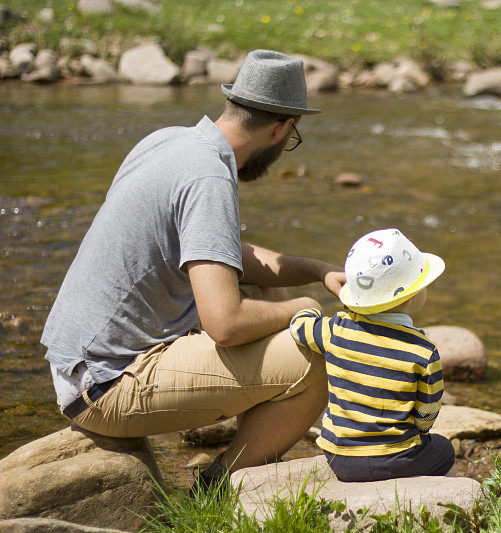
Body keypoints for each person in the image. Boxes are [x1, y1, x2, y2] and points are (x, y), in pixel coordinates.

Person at [40, 50, 346, 484]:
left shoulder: (171, 141)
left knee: (266, 296)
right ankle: (220, 486)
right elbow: (224, 323)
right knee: (318, 353)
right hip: (104, 386)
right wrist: (306, 309)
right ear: (283, 127)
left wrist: (317, 269)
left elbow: (224, 253)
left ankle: (252, 442)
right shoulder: (209, 178)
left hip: (78, 363)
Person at [289, 228, 455, 482]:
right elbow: (427, 411)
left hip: (339, 458)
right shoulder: (423, 350)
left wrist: (307, 308)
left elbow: (299, 329)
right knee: (444, 450)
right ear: (410, 298)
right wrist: (420, 433)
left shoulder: (336, 328)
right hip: (395, 459)